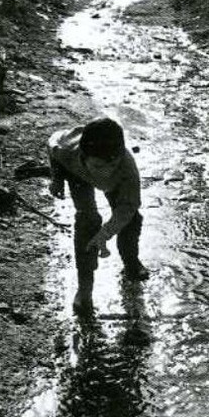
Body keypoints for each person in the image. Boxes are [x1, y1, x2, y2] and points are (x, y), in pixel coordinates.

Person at [48, 117, 148, 315]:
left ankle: (131, 263)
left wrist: (105, 235)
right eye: (100, 167)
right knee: (87, 222)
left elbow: (127, 207)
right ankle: (84, 292)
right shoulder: (65, 149)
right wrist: (57, 179)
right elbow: (52, 150)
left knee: (131, 221)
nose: (106, 173)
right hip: (78, 175)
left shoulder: (126, 169)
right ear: (84, 156)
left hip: (117, 185)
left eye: (113, 165)